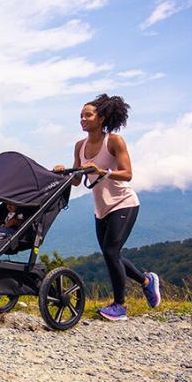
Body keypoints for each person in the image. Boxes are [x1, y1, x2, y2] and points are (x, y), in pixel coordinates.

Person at [54, 93, 161, 321]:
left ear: (101, 118)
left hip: (124, 203)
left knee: (111, 252)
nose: (83, 119)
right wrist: (63, 172)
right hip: (101, 209)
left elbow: (128, 174)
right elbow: (76, 180)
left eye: (88, 115)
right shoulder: (80, 146)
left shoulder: (113, 141)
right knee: (111, 254)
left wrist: (102, 171)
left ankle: (120, 306)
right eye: (81, 116)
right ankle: (146, 281)